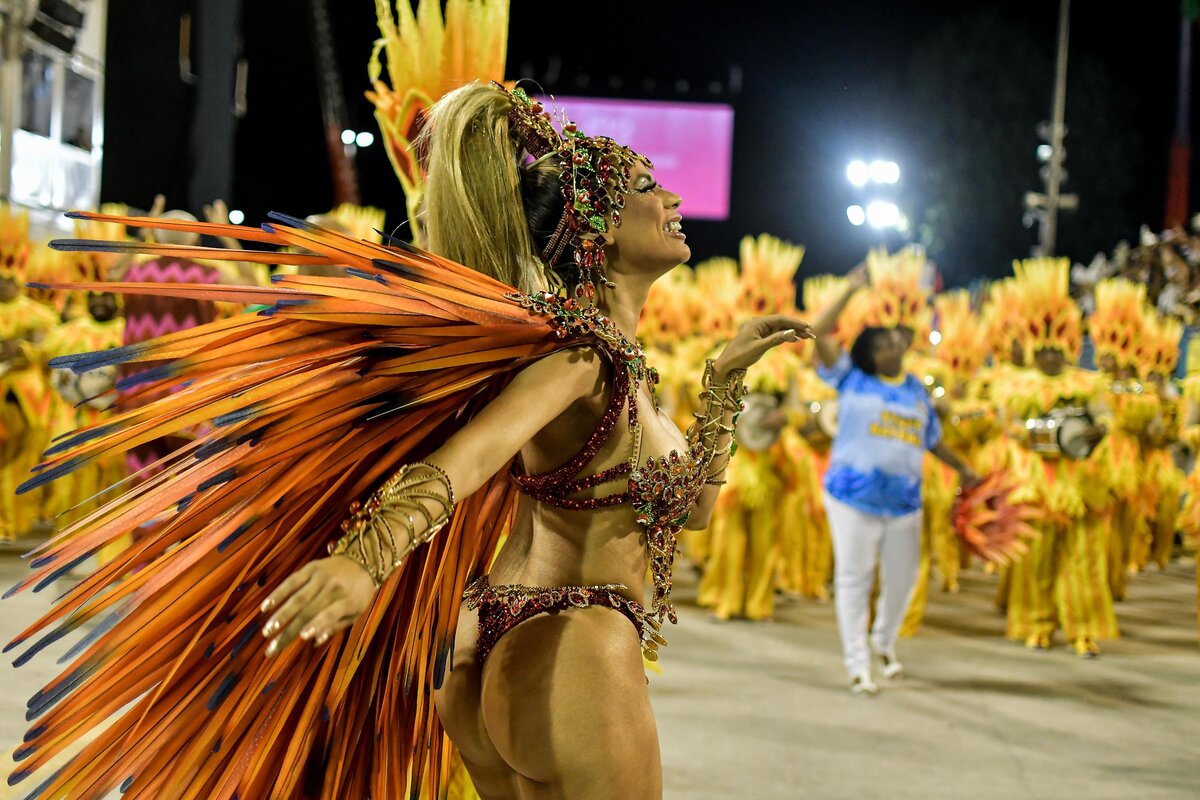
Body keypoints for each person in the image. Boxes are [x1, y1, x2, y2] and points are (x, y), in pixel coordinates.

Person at [7, 82, 811, 799]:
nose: (672, 195)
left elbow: (695, 512)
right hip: (577, 645)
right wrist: (363, 561)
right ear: (596, 223)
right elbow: (462, 463)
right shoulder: (580, 355)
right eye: (646, 185)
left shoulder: (619, 365)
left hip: (504, 634)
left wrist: (725, 382)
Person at [812, 263, 978, 695]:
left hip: (904, 501)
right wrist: (849, 290)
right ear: (870, 351)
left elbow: (931, 441)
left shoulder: (915, 391)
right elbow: (820, 331)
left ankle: (882, 641)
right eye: (882, 343)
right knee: (855, 578)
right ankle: (857, 665)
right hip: (852, 497)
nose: (892, 347)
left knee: (903, 581)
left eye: (895, 341)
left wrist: (964, 468)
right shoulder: (851, 377)